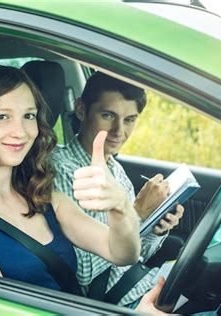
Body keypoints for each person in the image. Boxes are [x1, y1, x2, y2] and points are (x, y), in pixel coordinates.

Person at [0, 64, 170, 315]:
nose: (21, 132)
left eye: (29, 116)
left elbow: (122, 253)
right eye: (2, 116)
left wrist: (121, 209)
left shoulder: (43, 194)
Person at [51, 72, 185, 307]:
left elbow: (136, 254)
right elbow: (81, 272)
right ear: (81, 110)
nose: (119, 131)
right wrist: (136, 212)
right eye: (108, 115)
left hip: (143, 285)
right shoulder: (60, 170)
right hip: (117, 303)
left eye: (129, 120)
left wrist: (156, 227)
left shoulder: (116, 169)